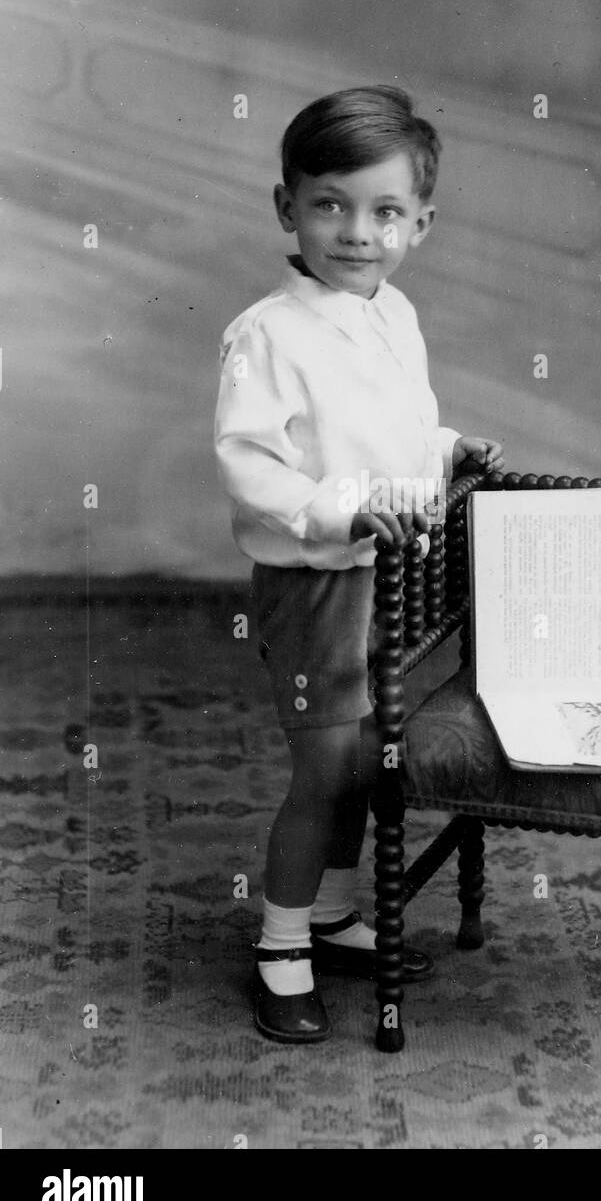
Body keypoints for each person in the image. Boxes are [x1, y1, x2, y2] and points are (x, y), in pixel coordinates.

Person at [214, 85, 503, 1043]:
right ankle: (282, 944)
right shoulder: (269, 333)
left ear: (420, 223)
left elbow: (396, 429)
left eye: (385, 212)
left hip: (388, 574)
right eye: (329, 203)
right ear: (285, 208)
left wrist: (447, 448)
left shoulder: (392, 314)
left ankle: (335, 914)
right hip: (315, 584)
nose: (356, 232)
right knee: (327, 770)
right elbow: (252, 464)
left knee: (364, 763)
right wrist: (338, 508)